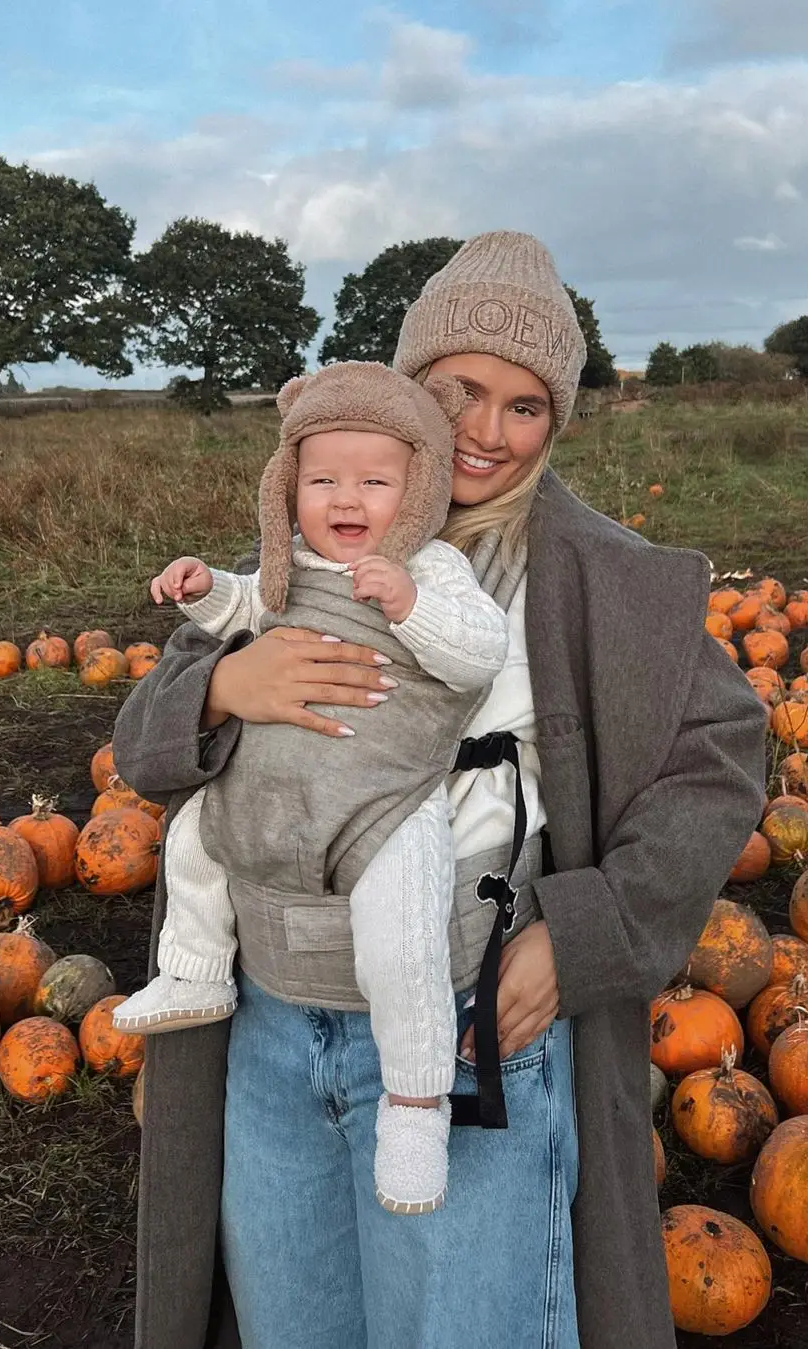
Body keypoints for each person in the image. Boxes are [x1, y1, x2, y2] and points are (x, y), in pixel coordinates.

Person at [112, 230, 767, 1349]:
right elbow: (144, 746)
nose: (485, 430)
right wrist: (222, 685)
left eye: (526, 406)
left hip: (469, 1034)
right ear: (408, 384)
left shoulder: (599, 576)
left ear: (556, 421)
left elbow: (723, 754)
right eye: (459, 388)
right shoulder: (314, 535)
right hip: (276, 1023)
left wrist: (583, 933)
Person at [111, 361, 510, 1214]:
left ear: (421, 487)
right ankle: (195, 969)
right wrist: (203, 588)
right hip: (267, 797)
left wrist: (410, 607)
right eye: (322, 479)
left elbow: (479, 651)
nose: (347, 499)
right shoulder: (287, 567)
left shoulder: (433, 568)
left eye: (375, 481)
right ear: (286, 490)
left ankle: (413, 1103)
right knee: (193, 836)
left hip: (383, 806)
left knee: (401, 940)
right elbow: (241, 608)